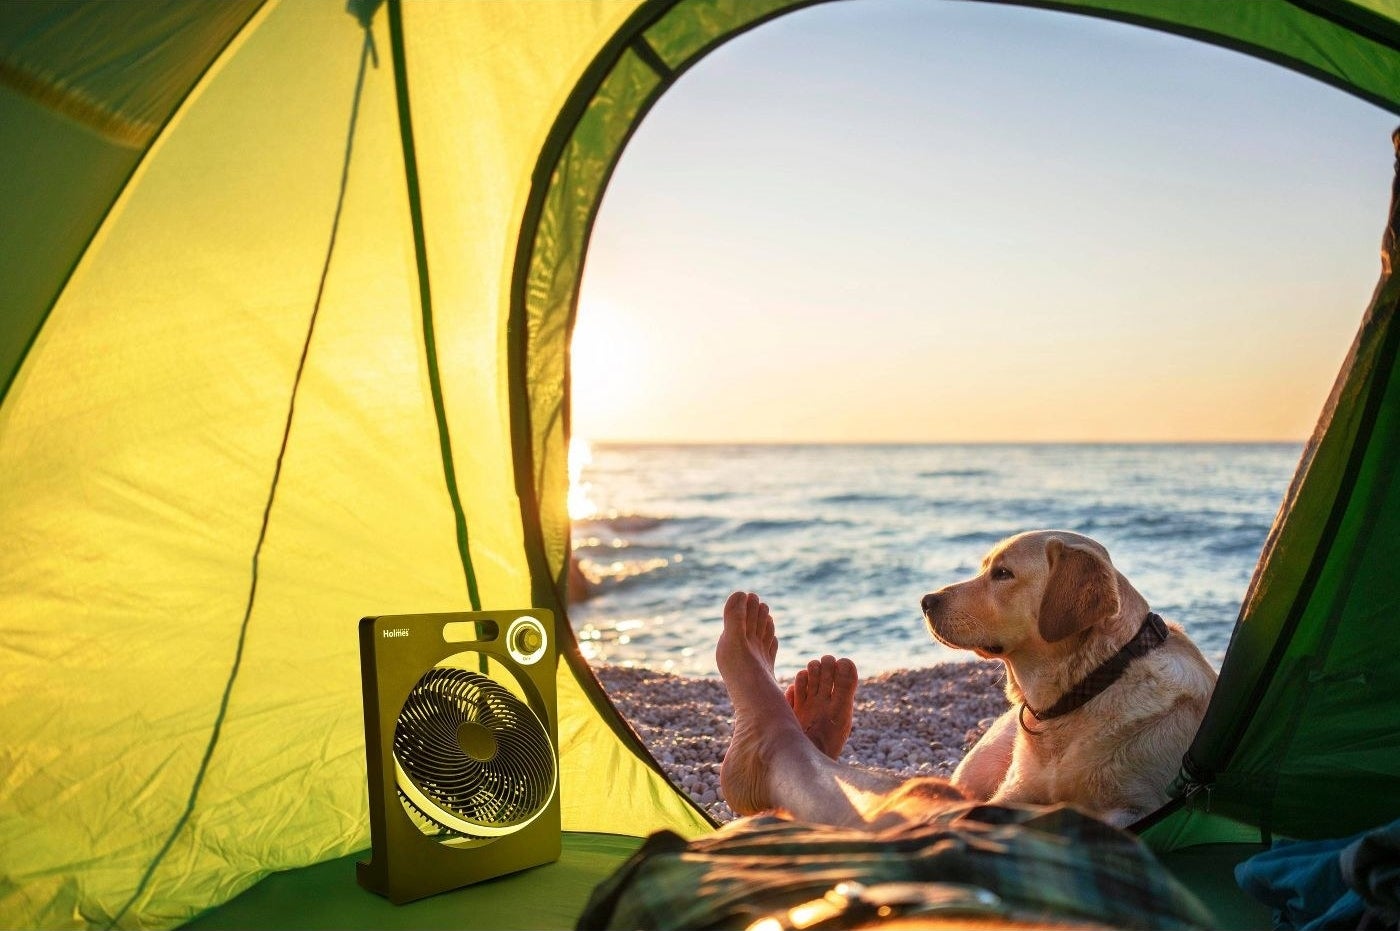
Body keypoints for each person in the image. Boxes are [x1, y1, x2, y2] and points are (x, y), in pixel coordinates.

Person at [577, 592, 1217, 930]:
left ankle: (782, 759)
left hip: (875, 909)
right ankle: (791, 765)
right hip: (1123, 904)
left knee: (933, 815)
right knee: (955, 812)